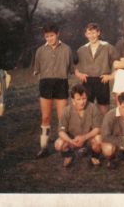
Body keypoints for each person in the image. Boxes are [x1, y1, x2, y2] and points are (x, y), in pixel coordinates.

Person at [34, 23, 74, 158]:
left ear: (58, 34)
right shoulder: (40, 51)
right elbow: (37, 70)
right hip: (45, 84)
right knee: (45, 117)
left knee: (62, 117)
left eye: (52, 35)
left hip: (61, 83)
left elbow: (71, 69)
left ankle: (64, 145)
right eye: (47, 36)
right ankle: (44, 147)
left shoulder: (67, 49)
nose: (49, 38)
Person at [75, 23, 118, 116]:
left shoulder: (107, 47)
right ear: (86, 34)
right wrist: (79, 74)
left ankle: (104, 128)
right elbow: (74, 66)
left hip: (102, 79)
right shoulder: (81, 50)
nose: (92, 36)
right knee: (86, 106)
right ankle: (88, 127)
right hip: (87, 80)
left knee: (103, 107)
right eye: (89, 33)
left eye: (94, 33)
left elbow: (117, 62)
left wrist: (111, 76)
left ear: (98, 33)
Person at [54, 84, 102, 167]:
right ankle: (68, 155)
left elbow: (97, 128)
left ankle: (94, 156)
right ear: (73, 100)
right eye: (78, 99)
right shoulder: (67, 110)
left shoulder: (93, 108)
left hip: (88, 138)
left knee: (99, 139)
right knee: (58, 144)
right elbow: (61, 131)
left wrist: (84, 137)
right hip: (73, 140)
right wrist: (70, 141)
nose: (82, 102)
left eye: (84, 98)